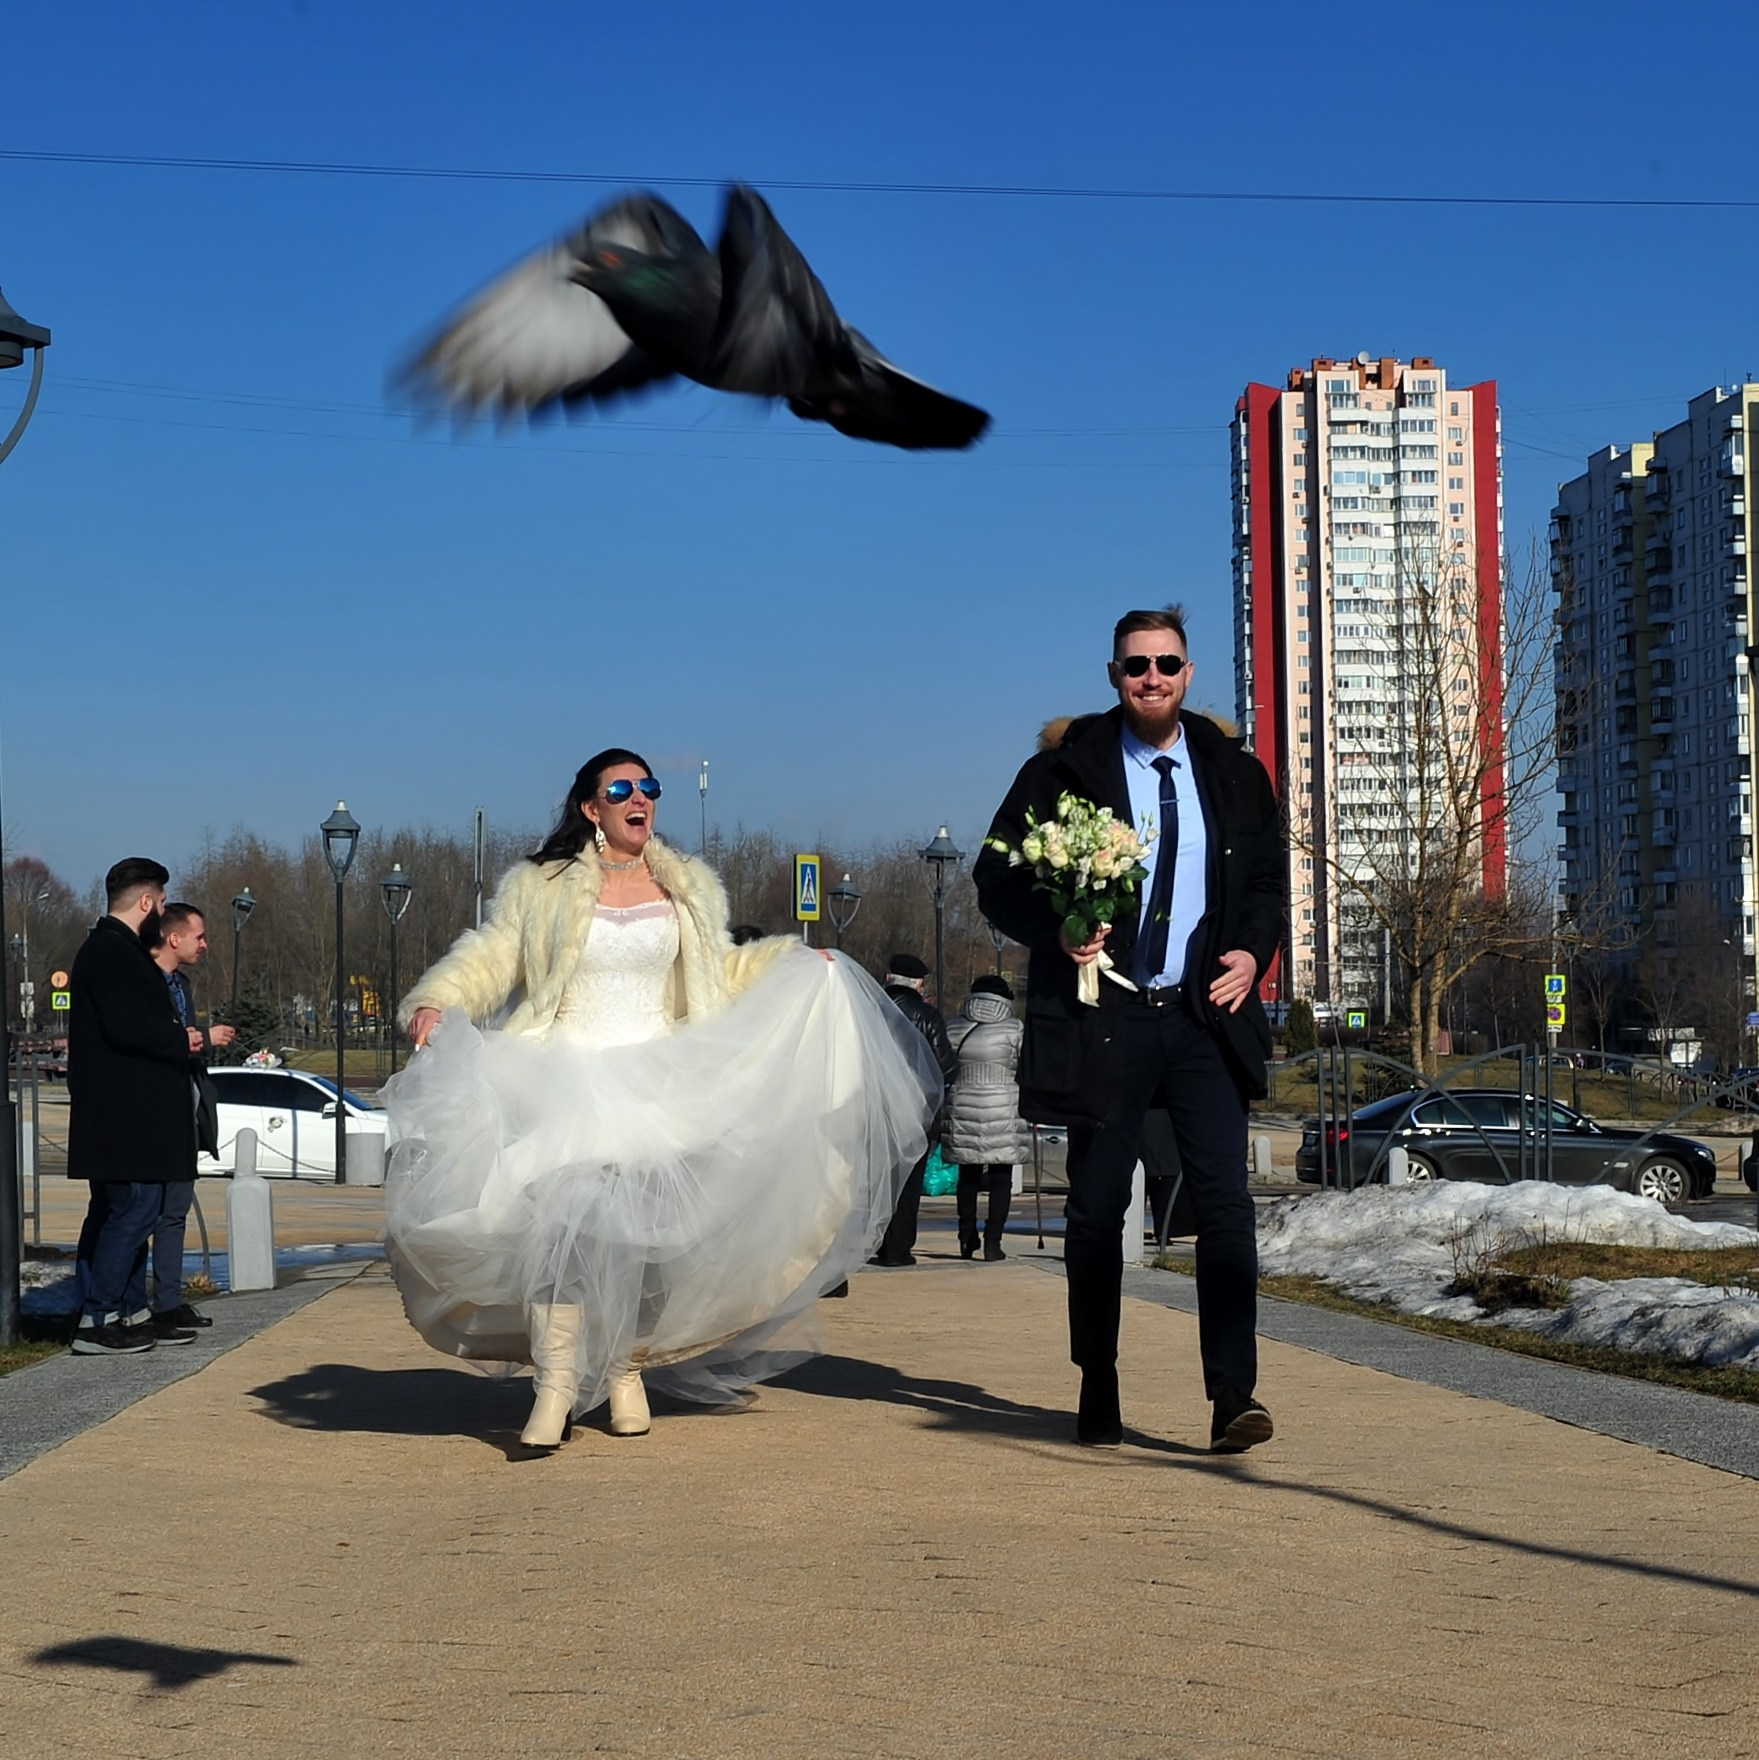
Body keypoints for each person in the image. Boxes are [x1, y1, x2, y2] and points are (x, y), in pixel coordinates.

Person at [385, 749, 940, 1450]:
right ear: (591, 807)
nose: (639, 797)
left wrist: (792, 962)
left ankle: (623, 1372)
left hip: (662, 1076)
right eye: (621, 788)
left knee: (641, 1241)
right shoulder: (541, 885)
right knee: (557, 1231)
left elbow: (720, 968)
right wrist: (438, 1000)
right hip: (564, 1072)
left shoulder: (687, 885)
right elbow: (495, 954)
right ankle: (555, 1386)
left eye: (648, 786)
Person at [973, 607, 1285, 1452]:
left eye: (1167, 664)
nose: (1152, 678)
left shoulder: (1232, 770)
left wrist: (1252, 954)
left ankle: (1232, 1399)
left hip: (1202, 1018)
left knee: (1223, 1205)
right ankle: (1097, 1382)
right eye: (1135, 665)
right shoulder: (1062, 769)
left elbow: (1264, 880)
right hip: (1101, 1015)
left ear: (1189, 674)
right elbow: (994, 874)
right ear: (1112, 674)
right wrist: (1056, 927)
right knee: (1096, 1207)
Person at [67, 859, 207, 1355]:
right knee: (132, 1211)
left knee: (133, 1211)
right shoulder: (112, 952)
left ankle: (129, 1311)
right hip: (123, 1119)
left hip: (128, 1116)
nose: (164, 911)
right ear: (146, 903)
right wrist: (180, 1038)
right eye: (163, 902)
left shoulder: (116, 950)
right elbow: (129, 1028)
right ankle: (97, 1317)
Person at [147, 903, 237, 1331]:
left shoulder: (181, 984)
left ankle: (168, 1302)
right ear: (173, 937)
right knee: (138, 1213)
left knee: (174, 1211)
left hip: (185, 1107)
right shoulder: (145, 982)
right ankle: (124, 1307)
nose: (205, 944)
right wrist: (203, 1036)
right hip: (153, 1112)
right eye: (199, 936)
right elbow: (157, 1040)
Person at [869, 953, 957, 1267]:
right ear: (919, 983)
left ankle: (867, 1242)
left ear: (887, 976)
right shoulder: (927, 1016)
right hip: (916, 1111)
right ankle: (898, 1249)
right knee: (908, 1182)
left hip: (872, 1108)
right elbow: (946, 1067)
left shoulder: (867, 1009)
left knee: (871, 1178)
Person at [945, 974, 1028, 1262]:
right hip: (1004, 1106)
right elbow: (1026, 1068)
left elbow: (944, 1066)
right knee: (1001, 1178)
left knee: (967, 1175)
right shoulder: (1015, 1028)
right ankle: (993, 1242)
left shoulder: (954, 1026)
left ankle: (966, 1237)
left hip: (963, 1104)